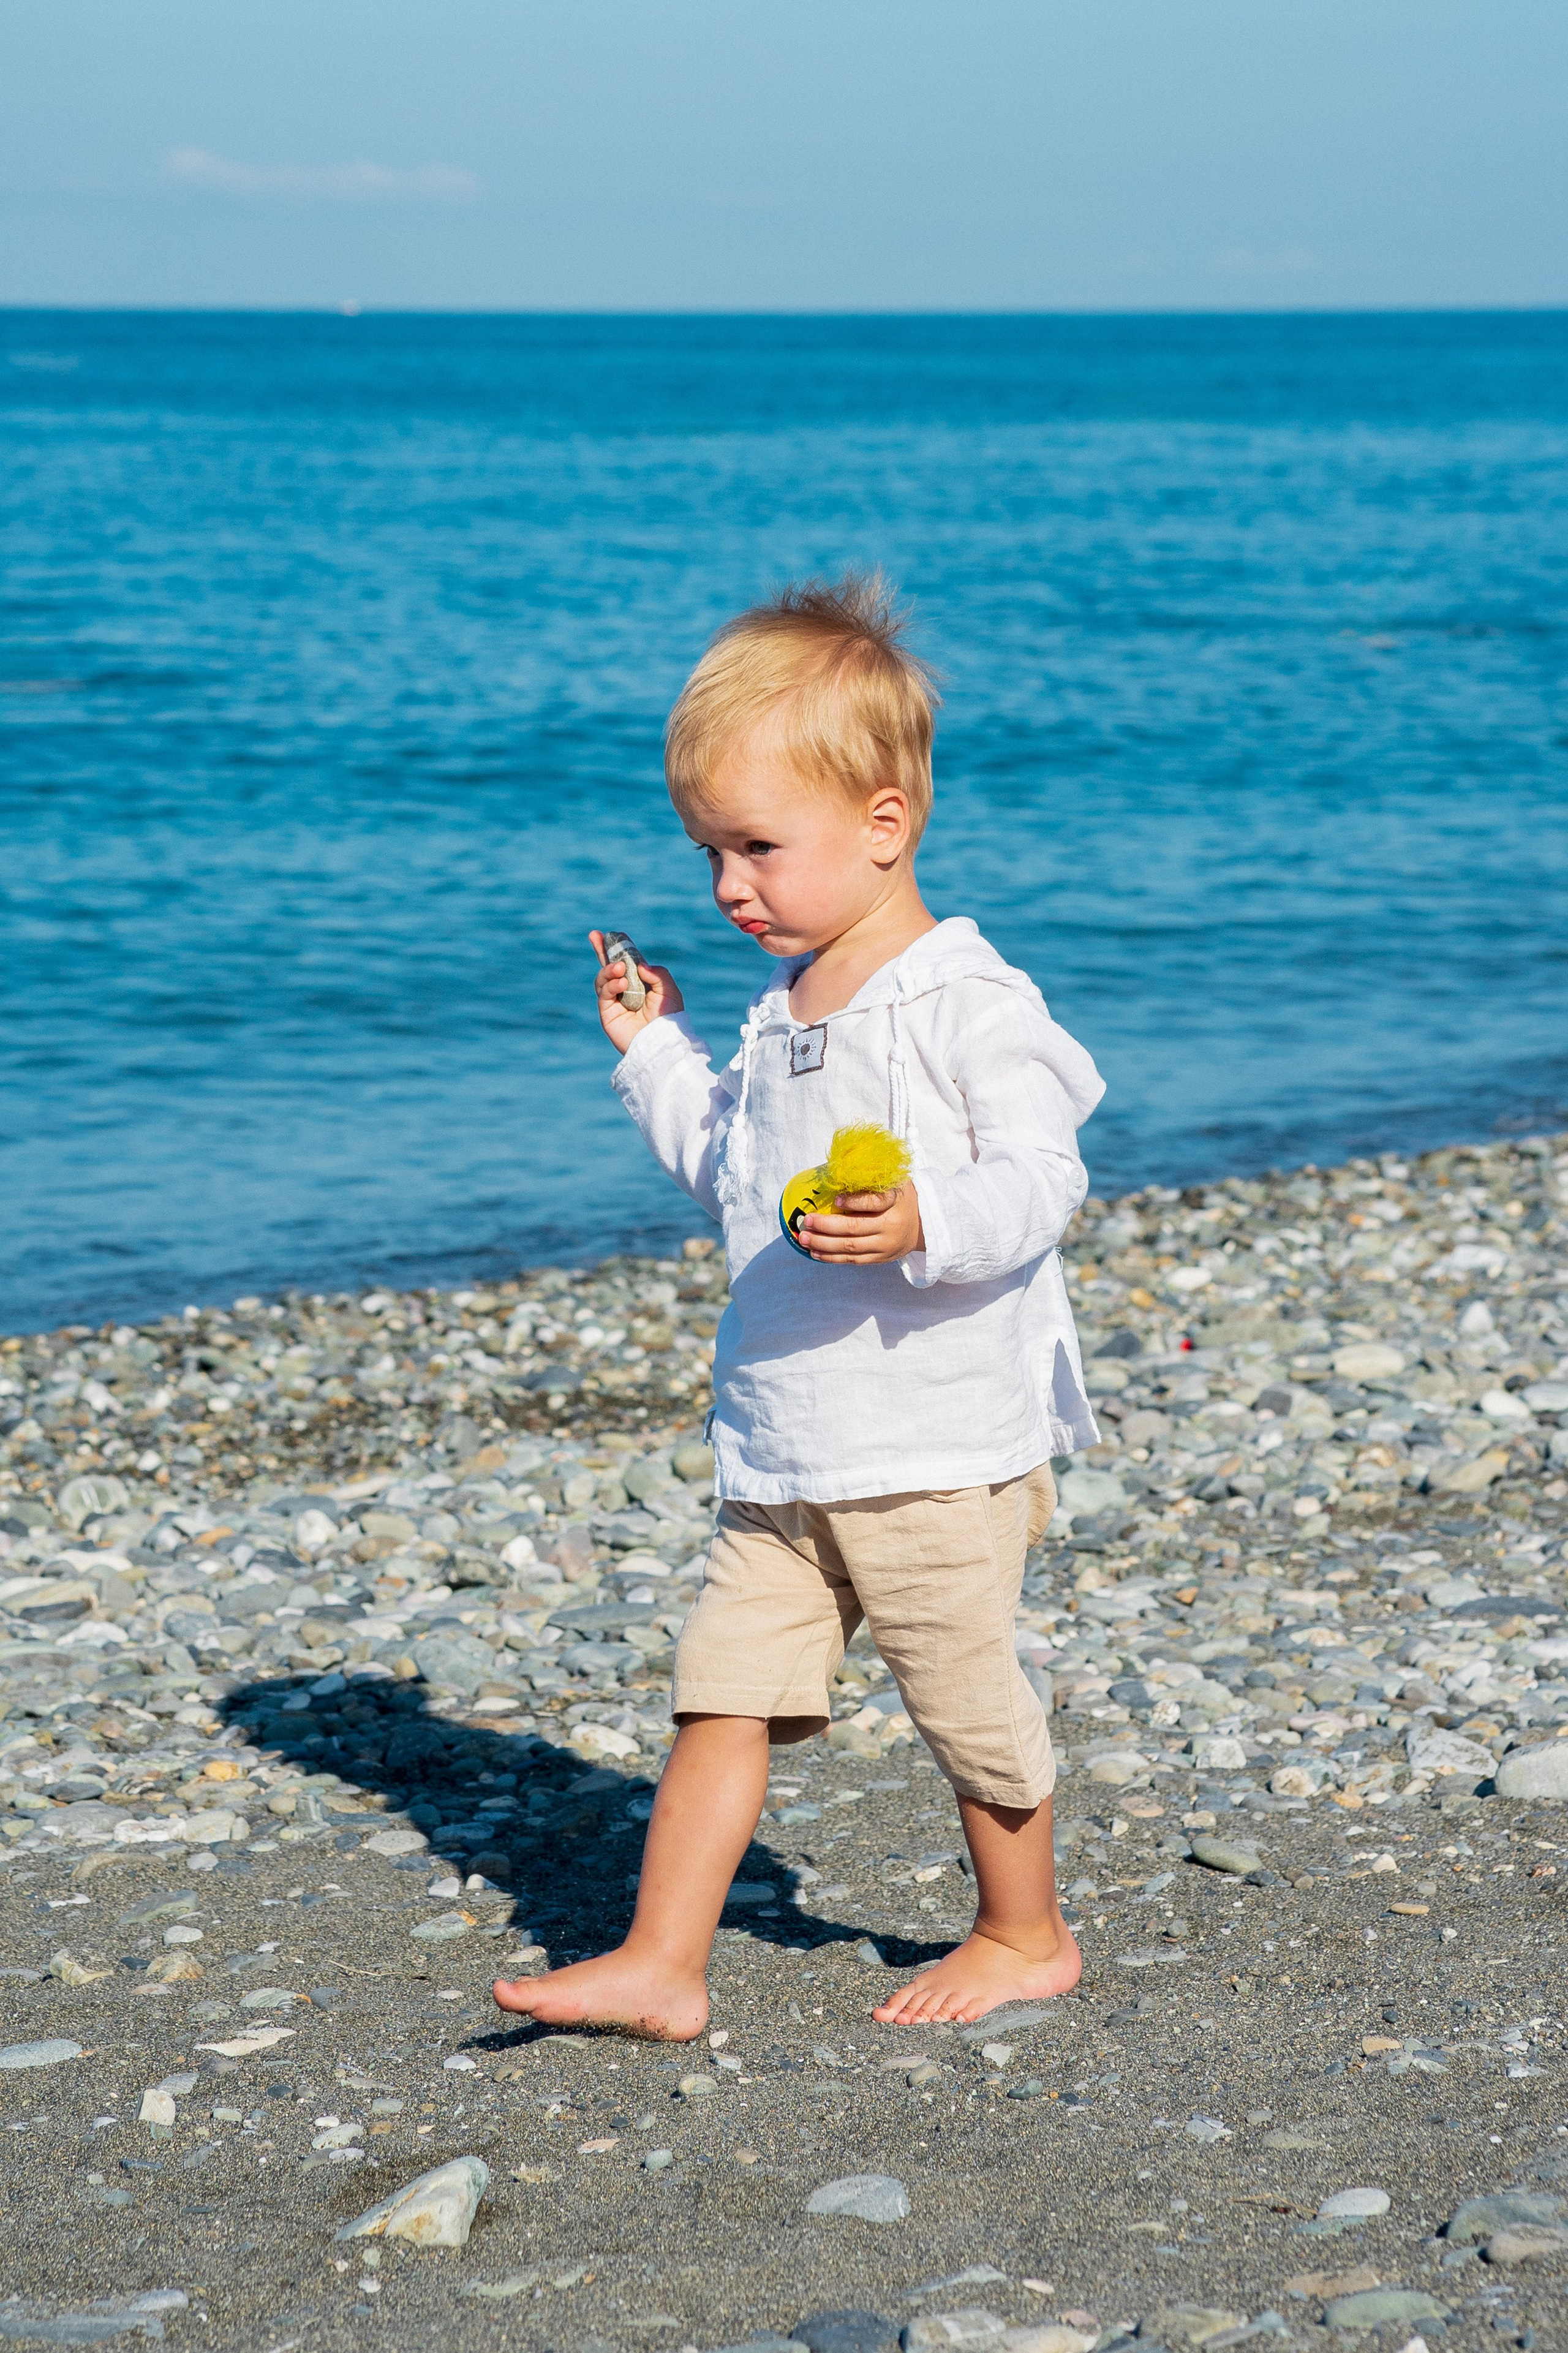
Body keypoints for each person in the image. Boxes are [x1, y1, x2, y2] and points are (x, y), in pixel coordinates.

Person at [494, 574, 1104, 2038]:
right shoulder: (784, 1019)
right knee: (720, 1695)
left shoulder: (965, 1000)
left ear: (884, 825)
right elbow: (728, 1168)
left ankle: (1024, 1932)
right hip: (784, 1448)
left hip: (934, 1451)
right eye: (710, 850)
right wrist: (656, 1052)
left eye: (757, 847)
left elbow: (1043, 1171)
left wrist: (925, 1217)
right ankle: (661, 1960)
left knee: (965, 1706)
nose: (727, 886)